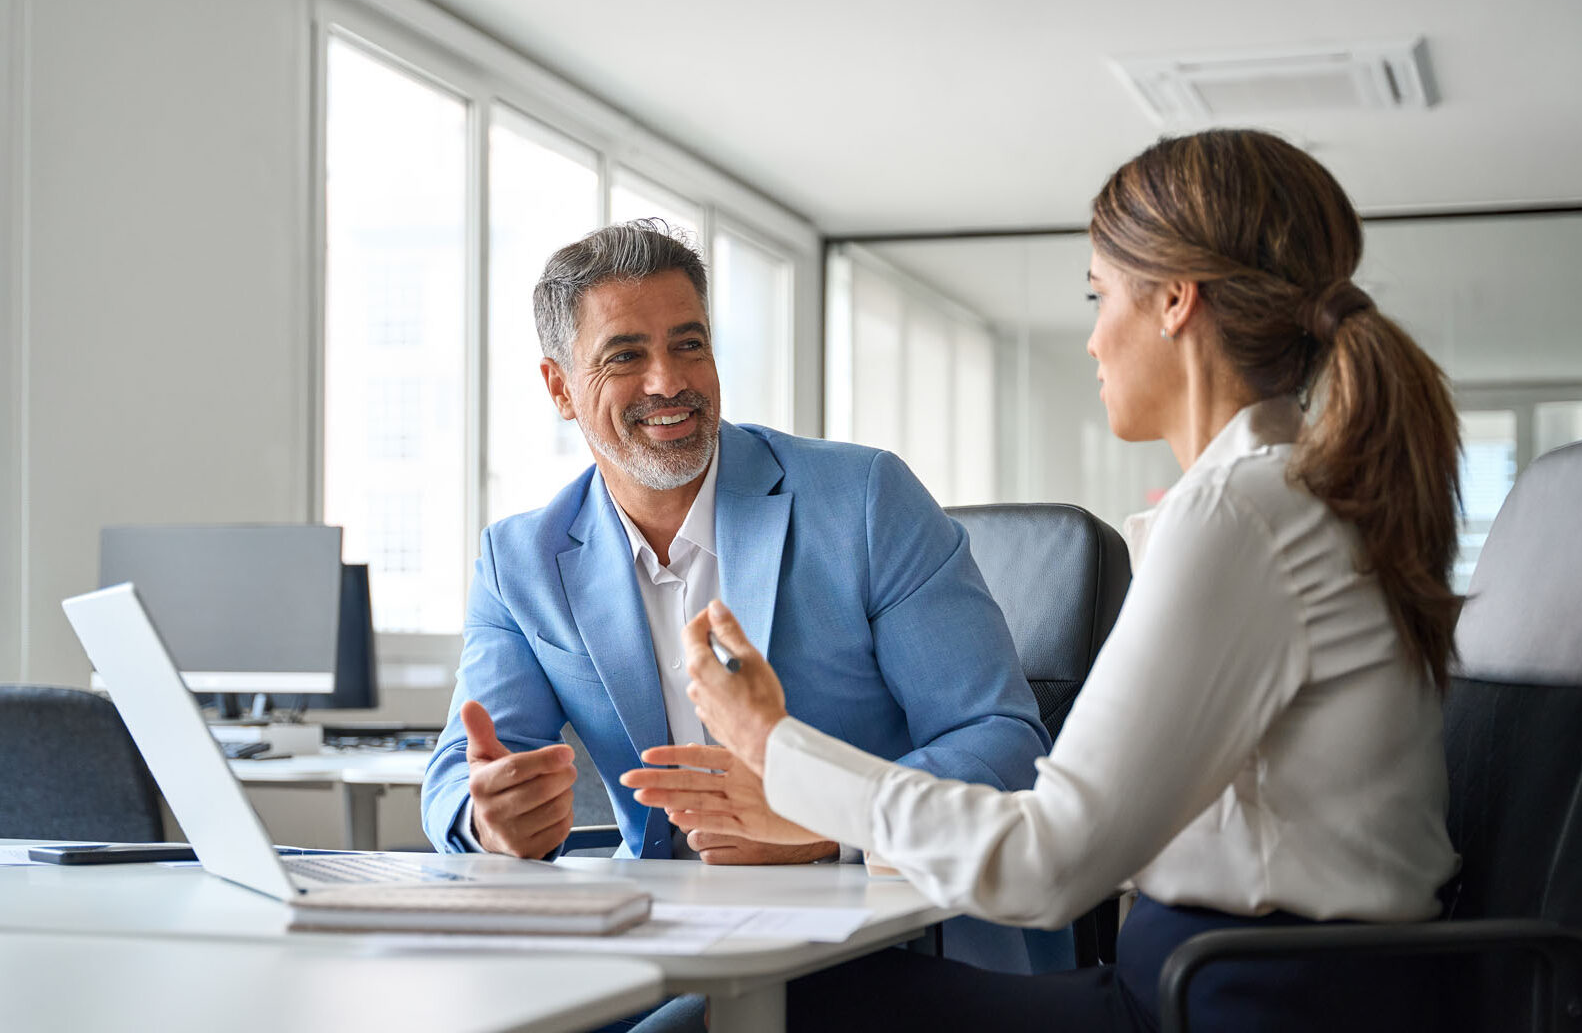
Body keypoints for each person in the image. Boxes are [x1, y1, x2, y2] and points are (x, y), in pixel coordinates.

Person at [629, 130, 1465, 1031]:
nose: (1095, 337)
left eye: (1100, 295)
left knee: (760, 1016)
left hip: (1233, 1005)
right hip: (1227, 985)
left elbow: (1050, 861)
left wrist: (775, 747)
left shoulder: (1245, 513)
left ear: (1177, 300)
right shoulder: (1281, 496)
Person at [420, 219, 1068, 976]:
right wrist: (490, 816)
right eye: (626, 355)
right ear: (561, 387)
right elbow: (458, 776)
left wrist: (824, 823)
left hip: (893, 939)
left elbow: (1003, 739)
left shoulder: (862, 499)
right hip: (662, 947)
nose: (669, 381)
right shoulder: (520, 561)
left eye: (688, 344)